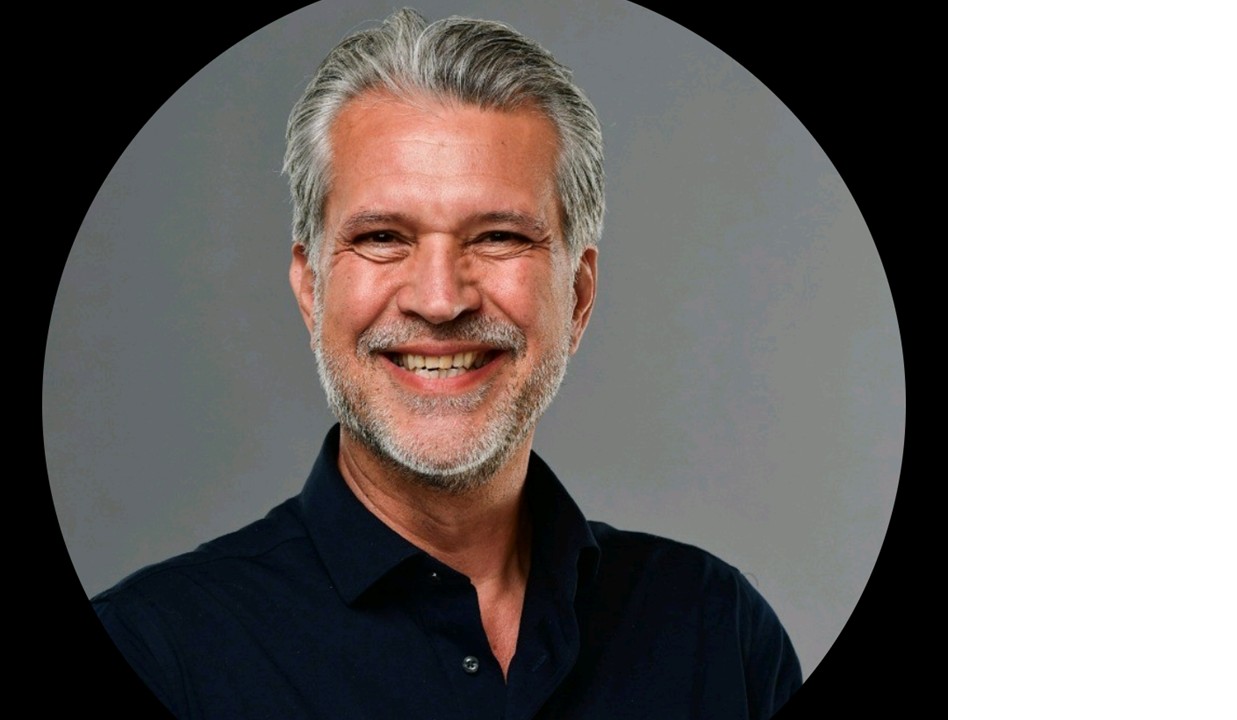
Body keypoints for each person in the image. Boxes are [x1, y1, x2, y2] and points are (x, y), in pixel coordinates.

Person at [92, 9, 802, 719]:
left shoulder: (719, 635)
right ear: (312, 290)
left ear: (579, 297)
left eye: (498, 237)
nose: (439, 301)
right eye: (382, 237)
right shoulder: (154, 655)